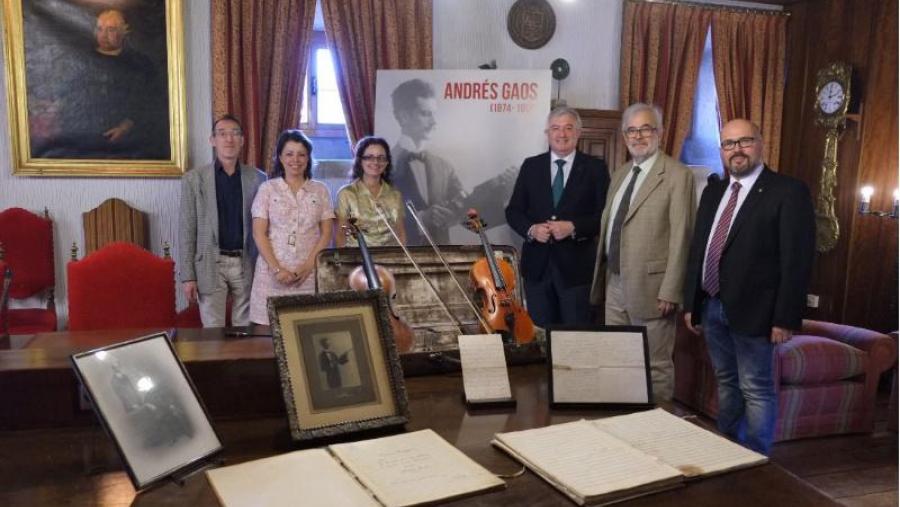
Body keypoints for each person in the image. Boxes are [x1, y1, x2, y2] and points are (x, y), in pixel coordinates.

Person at [683, 119, 815, 454]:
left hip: (758, 311)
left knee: (755, 387)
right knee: (726, 382)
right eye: (728, 144)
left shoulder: (788, 191)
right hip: (712, 305)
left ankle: (757, 460)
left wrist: (785, 319)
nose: (736, 150)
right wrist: (692, 303)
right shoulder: (714, 191)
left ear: (760, 143)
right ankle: (729, 450)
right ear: (722, 150)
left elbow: (796, 261)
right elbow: (700, 248)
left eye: (744, 141)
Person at [588, 103, 695, 401]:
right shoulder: (621, 175)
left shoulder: (677, 176)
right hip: (616, 282)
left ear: (660, 132)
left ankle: (657, 430)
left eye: (646, 128)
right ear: (624, 136)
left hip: (654, 289)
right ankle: (623, 424)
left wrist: (671, 290)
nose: (638, 136)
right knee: (617, 361)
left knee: (655, 365)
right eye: (632, 130)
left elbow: (682, 237)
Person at [505, 107, 609, 327]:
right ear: (547, 133)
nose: (562, 134)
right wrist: (532, 229)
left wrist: (573, 227)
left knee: (574, 341)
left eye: (568, 128)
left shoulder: (595, 168)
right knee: (541, 339)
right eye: (555, 128)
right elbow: (513, 211)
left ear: (578, 132)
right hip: (537, 271)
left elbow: (604, 217)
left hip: (576, 273)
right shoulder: (531, 166)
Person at [31, 8, 169, 159]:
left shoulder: (141, 64)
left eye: (111, 30)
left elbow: (151, 102)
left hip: (128, 142)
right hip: (82, 139)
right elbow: (66, 96)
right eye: (100, 29)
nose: (103, 35)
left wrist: (126, 126)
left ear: (125, 31)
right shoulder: (79, 60)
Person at [178, 115, 265, 327]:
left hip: (245, 261)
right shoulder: (194, 179)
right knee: (213, 332)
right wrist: (188, 276)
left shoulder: (258, 178)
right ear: (212, 140)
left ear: (242, 140)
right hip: (210, 262)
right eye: (223, 133)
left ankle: (241, 361)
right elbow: (187, 228)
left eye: (235, 133)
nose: (229, 139)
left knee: (245, 330)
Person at [249, 130, 334, 325]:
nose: (295, 159)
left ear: (308, 158)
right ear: (280, 157)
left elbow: (326, 234)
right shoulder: (268, 189)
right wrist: (277, 269)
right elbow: (258, 233)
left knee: (307, 332)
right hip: (271, 276)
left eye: (301, 154)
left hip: (308, 276)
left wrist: (306, 268)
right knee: (266, 337)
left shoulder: (320, 190)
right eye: (289, 154)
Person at [389, 79, 465, 244]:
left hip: (441, 258)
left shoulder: (445, 167)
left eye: (434, 114)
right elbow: (374, 217)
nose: (434, 122)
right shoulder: (381, 166)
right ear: (403, 117)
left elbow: (465, 209)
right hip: (399, 258)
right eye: (425, 114)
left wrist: (455, 213)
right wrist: (421, 219)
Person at [335, 137, 407, 247]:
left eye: (381, 158)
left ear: (387, 162)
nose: (376, 162)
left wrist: (399, 261)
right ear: (360, 160)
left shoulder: (395, 195)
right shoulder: (346, 193)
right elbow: (341, 234)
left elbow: (400, 233)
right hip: (356, 259)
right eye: (369, 157)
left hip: (388, 259)